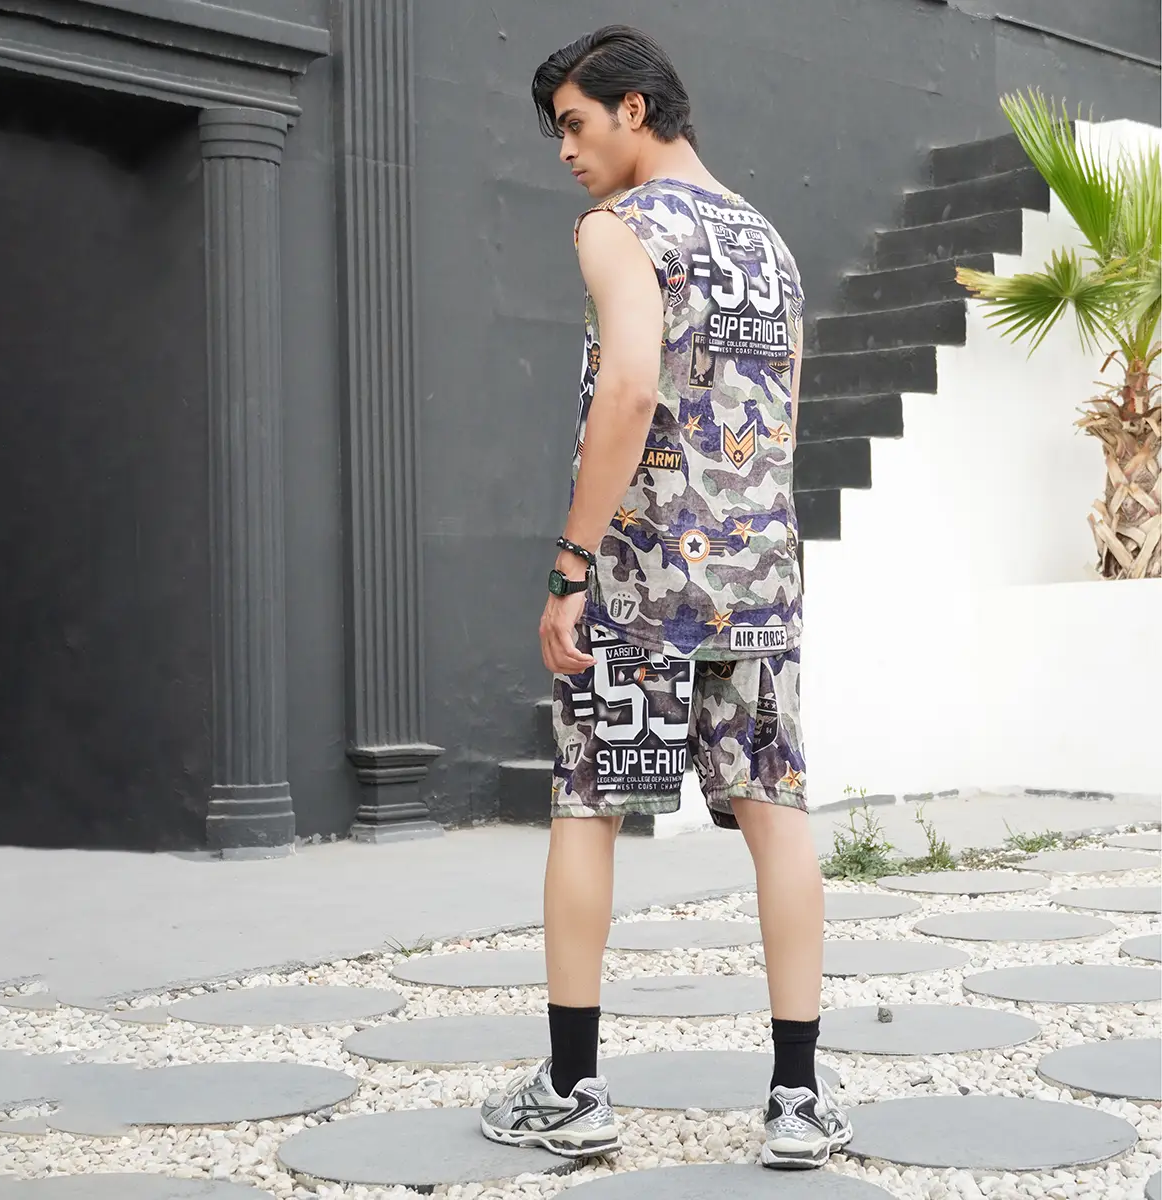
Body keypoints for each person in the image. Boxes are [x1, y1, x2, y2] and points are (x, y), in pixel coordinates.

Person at [479, 25, 852, 1171]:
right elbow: (780, 419)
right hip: (760, 578)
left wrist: (571, 567)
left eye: (575, 125)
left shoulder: (620, 227)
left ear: (633, 110)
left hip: (642, 579)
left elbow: (632, 386)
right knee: (775, 813)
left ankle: (574, 1087)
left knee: (592, 808)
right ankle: (797, 1097)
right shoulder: (767, 240)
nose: (565, 152)